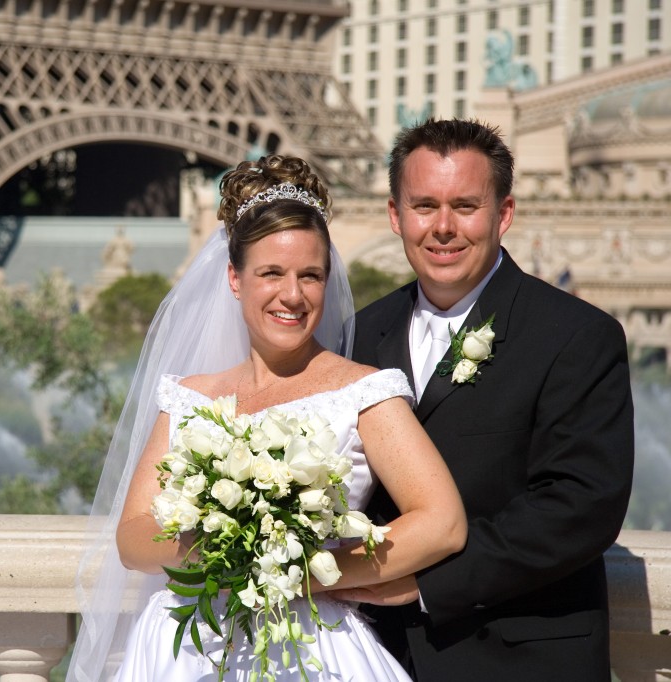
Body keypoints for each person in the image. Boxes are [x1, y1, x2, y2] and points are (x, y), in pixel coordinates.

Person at [67, 155, 467, 681]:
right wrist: (232, 549)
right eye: (271, 273)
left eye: (311, 275)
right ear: (235, 278)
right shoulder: (188, 398)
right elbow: (133, 538)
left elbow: (443, 523)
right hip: (184, 650)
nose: (293, 295)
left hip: (310, 650)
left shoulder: (366, 392)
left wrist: (304, 573)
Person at [343, 118, 635, 681]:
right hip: (375, 658)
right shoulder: (357, 336)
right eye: (424, 205)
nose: (443, 227)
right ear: (394, 215)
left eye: (466, 206)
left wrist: (424, 583)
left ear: (503, 214)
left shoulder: (576, 335)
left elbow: (579, 506)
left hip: (520, 659)